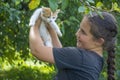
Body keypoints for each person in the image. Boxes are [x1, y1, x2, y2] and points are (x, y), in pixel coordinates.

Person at [29, 12, 118, 80]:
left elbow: (37, 50)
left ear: (99, 41)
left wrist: (35, 22)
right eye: (79, 29)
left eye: (83, 32)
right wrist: (50, 28)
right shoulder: (96, 59)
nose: (77, 34)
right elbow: (62, 55)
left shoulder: (80, 57)